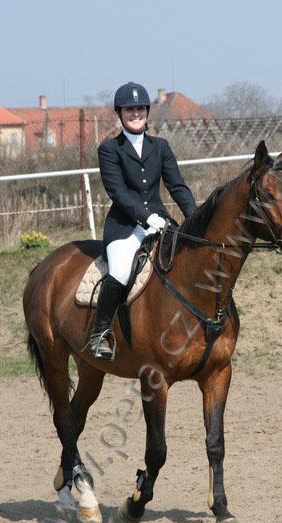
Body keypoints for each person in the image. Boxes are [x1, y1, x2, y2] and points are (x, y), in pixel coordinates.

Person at [87, 81, 197, 360]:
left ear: (147, 112)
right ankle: (100, 333)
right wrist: (147, 217)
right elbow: (118, 192)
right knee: (122, 271)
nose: (135, 114)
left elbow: (178, 187)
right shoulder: (109, 150)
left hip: (162, 223)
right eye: (129, 109)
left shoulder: (161, 147)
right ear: (120, 113)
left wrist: (195, 218)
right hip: (125, 228)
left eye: (140, 109)